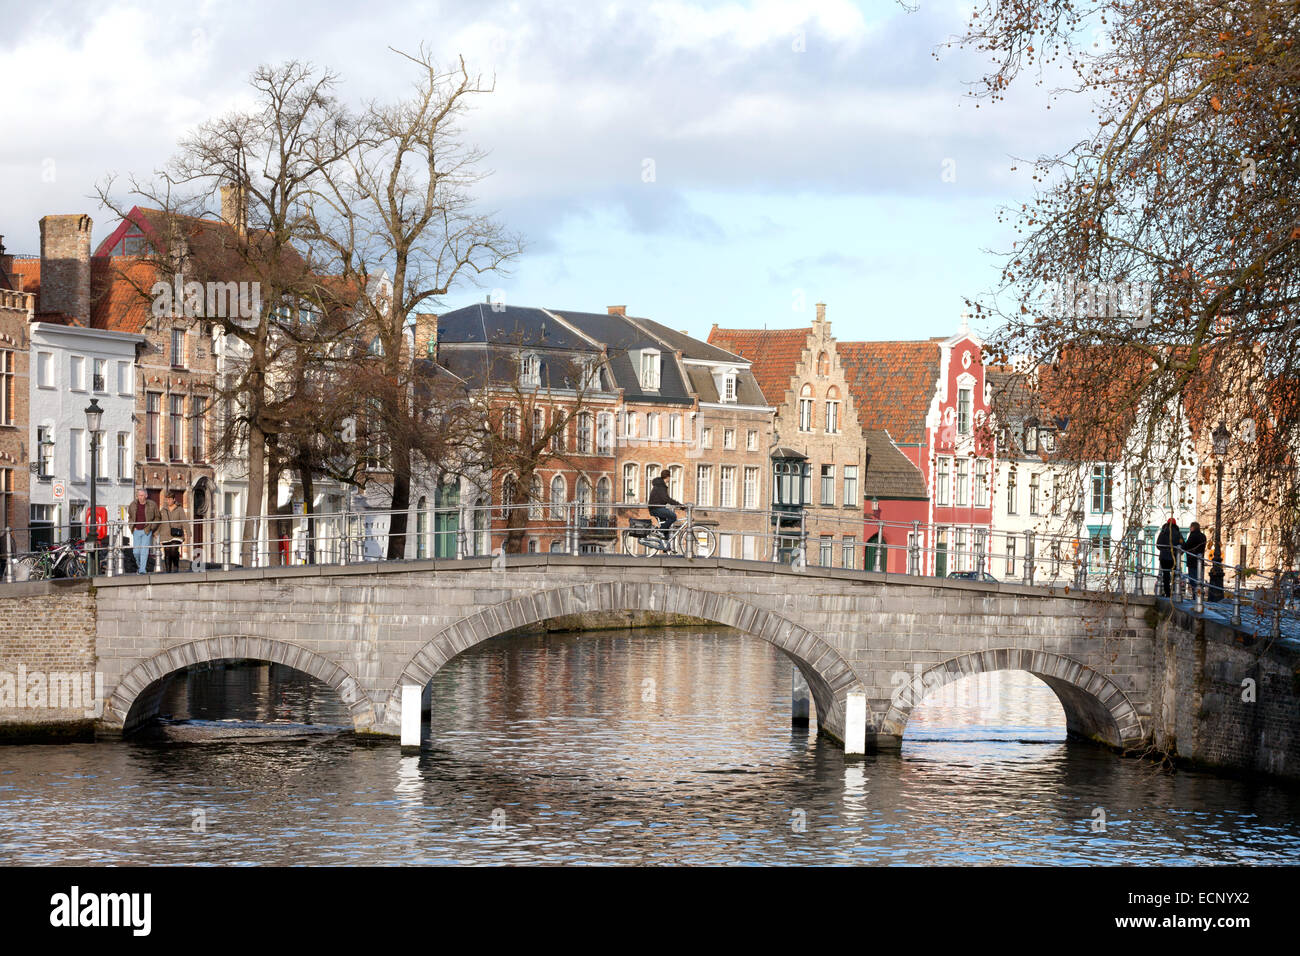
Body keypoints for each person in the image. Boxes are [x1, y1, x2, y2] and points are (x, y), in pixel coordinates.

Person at [129, 489, 161, 574]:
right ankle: (139, 567)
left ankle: (142, 570)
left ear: (146, 496)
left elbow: (158, 517)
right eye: (139, 495)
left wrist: (151, 527)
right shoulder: (133, 505)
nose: (140, 497)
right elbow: (130, 517)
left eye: (142, 495)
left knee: (144, 551)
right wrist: (132, 526)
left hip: (146, 530)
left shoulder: (152, 504)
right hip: (136, 531)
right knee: (136, 552)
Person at [159, 491, 188, 573]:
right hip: (165, 533)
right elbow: (159, 520)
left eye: (169, 499)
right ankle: (168, 571)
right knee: (167, 551)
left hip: (176, 534)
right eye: (166, 499)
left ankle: (175, 566)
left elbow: (184, 521)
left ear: (174, 499)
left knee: (174, 550)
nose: (168, 501)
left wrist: (188, 532)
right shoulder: (163, 510)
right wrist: (156, 531)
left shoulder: (179, 509)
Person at [647, 468, 682, 534]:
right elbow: (666, 499)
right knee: (673, 516)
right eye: (669, 477)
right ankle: (659, 532)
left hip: (656, 508)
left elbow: (665, 499)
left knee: (666, 528)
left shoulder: (659, 485)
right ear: (668, 477)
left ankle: (664, 541)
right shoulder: (661, 486)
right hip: (656, 508)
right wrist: (680, 505)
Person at [1156, 516, 1183, 597]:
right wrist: (1178, 553)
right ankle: (1175, 591)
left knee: (1166, 576)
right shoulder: (1178, 534)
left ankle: (1167, 593)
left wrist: (1163, 550)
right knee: (1176, 575)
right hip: (1174, 557)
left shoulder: (1163, 532)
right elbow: (1182, 545)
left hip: (1164, 558)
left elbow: (1158, 544)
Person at [1184, 521, 1207, 591]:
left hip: (1192, 561)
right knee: (1200, 581)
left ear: (1193, 527)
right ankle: (1200, 597)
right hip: (1200, 561)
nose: (1190, 529)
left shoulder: (1192, 536)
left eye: (1190, 527)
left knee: (1193, 580)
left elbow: (1186, 546)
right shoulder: (1203, 536)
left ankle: (1195, 597)